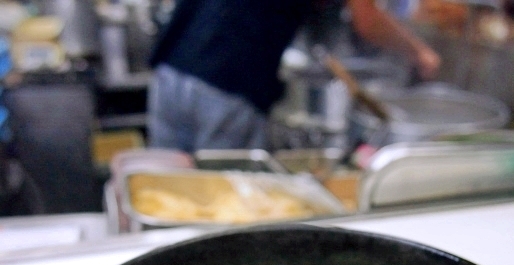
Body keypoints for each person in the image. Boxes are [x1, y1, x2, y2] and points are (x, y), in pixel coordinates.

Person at [147, 0, 441, 153]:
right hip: (228, 82)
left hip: (171, 66)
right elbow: (368, 21)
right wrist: (419, 52)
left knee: (164, 189)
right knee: (223, 198)